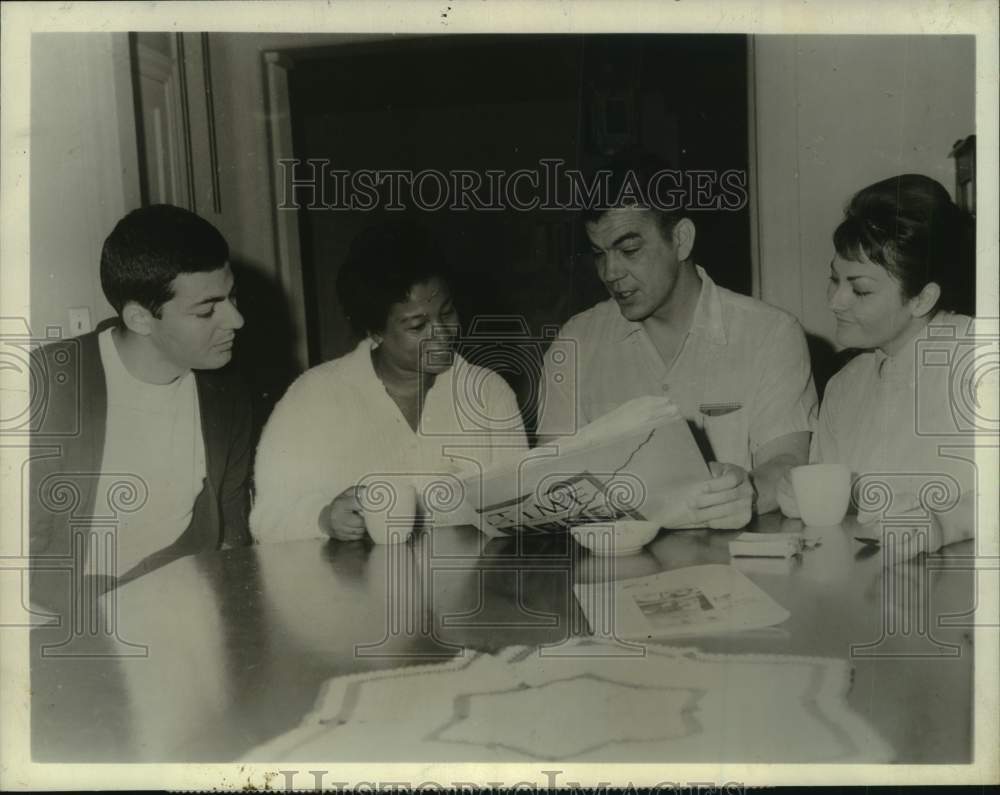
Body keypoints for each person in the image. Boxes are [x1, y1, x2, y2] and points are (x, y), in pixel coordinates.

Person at [537, 151, 818, 529]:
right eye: (599, 254)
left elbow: (788, 463)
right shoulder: (575, 342)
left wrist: (747, 491)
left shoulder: (770, 334)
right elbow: (550, 477)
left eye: (629, 250)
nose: (610, 272)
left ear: (681, 240)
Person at [30, 205, 252, 608]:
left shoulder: (227, 396)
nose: (236, 320)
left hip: (186, 613)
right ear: (140, 318)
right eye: (207, 309)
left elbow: (231, 539)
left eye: (232, 296)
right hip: (64, 625)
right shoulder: (48, 386)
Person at [251, 222, 529, 544]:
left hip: (472, 589)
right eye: (417, 325)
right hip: (353, 592)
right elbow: (267, 519)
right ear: (375, 331)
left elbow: (522, 509)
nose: (441, 334)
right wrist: (324, 517)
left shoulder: (487, 393)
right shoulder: (314, 397)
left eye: (448, 313)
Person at [778, 174, 978, 557]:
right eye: (834, 279)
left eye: (860, 289)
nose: (836, 301)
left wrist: (944, 523)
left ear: (922, 298)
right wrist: (802, 494)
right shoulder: (845, 385)